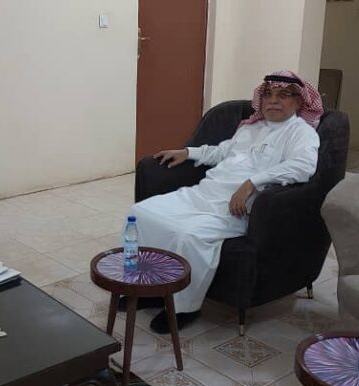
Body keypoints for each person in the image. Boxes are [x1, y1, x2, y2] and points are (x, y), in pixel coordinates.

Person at [128, 70, 323, 334]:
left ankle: (183, 308)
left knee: (188, 236)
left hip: (235, 209)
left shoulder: (301, 134)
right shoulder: (251, 127)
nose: (273, 100)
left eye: (283, 95)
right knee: (140, 214)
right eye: (268, 94)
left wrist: (252, 183)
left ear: (299, 101)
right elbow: (222, 152)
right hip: (203, 194)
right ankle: (148, 289)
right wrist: (187, 152)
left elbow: (303, 167)